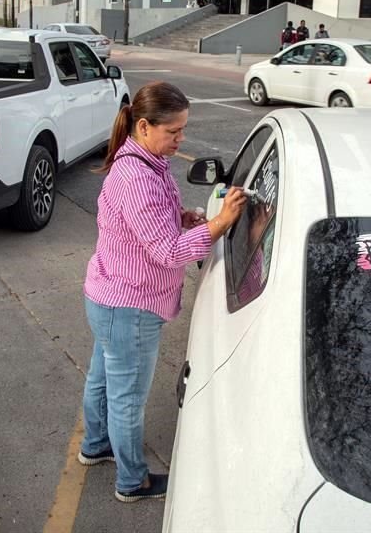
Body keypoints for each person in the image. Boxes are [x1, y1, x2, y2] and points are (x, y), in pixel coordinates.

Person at [80, 81, 247, 503]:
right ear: (143, 126)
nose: (180, 139)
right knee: (127, 398)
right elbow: (168, 252)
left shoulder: (140, 160)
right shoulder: (138, 176)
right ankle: (132, 482)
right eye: (173, 131)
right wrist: (217, 225)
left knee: (102, 378)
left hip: (109, 294)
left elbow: (148, 224)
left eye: (183, 130)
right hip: (130, 306)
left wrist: (184, 216)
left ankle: (95, 445)